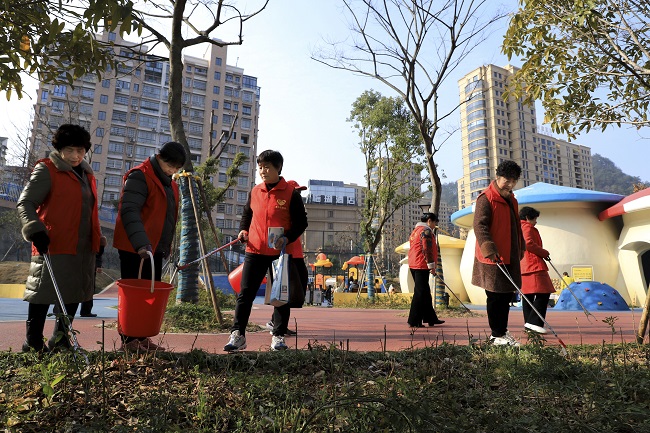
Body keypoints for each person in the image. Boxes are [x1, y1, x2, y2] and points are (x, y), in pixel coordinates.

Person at [17, 124, 102, 352]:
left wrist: (99, 239)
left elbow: (89, 210)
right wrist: (34, 229)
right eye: (69, 150)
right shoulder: (47, 169)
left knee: (74, 293)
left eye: (80, 150)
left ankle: (61, 340)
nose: (75, 156)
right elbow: (25, 202)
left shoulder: (87, 174)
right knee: (43, 293)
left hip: (82, 247)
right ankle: (33, 342)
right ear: (59, 149)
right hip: (52, 243)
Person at [224, 150, 308, 352]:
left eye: (267, 167)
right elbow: (247, 215)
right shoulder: (255, 191)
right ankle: (238, 335)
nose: (263, 171)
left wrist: (287, 238)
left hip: (280, 254)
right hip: (255, 251)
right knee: (245, 294)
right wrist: (243, 230)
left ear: (278, 168)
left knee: (280, 297)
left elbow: (301, 223)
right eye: (260, 167)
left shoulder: (290, 193)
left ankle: (278, 336)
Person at [113, 141, 186, 351]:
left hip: (155, 248)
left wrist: (165, 246)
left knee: (148, 296)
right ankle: (129, 340)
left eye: (176, 168)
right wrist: (141, 243)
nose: (173, 171)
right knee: (133, 295)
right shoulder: (140, 175)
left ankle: (142, 336)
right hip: (135, 247)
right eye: (170, 166)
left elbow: (167, 218)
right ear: (160, 158)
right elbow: (129, 210)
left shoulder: (170, 184)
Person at [472, 160, 525, 346]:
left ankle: (502, 331)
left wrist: (521, 246)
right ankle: (496, 335)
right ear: (497, 177)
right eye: (506, 180)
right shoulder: (486, 198)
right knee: (495, 296)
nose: (510, 184)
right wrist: (489, 248)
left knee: (506, 296)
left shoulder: (512, 200)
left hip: (509, 255)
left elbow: (516, 226)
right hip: (493, 257)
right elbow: (479, 225)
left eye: (514, 181)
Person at [265, 180, 309, 336]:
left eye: (300, 192)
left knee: (296, 288)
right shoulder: (283, 208)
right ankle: (277, 324)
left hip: (296, 254)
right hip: (286, 254)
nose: (299, 194)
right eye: (296, 191)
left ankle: (278, 322)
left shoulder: (297, 209)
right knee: (285, 290)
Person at [519, 206, 555, 334]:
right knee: (544, 292)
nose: (536, 222)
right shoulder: (527, 227)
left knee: (527, 296)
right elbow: (528, 243)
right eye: (534, 219)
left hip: (524, 265)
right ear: (527, 217)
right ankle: (534, 323)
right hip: (533, 265)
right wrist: (543, 252)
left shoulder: (518, 227)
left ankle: (529, 324)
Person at [407, 212, 445, 328]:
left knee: (424, 292)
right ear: (429, 221)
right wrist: (431, 266)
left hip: (414, 263)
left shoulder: (415, 231)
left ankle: (431, 318)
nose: (434, 225)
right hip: (421, 264)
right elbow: (427, 249)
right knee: (420, 293)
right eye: (434, 222)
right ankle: (414, 320)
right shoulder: (426, 231)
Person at [79, 235, 107, 317]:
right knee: (88, 286)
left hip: (88, 262)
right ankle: (85, 311)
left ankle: (86, 310)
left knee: (89, 286)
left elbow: (98, 254)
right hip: (82, 261)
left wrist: (98, 265)